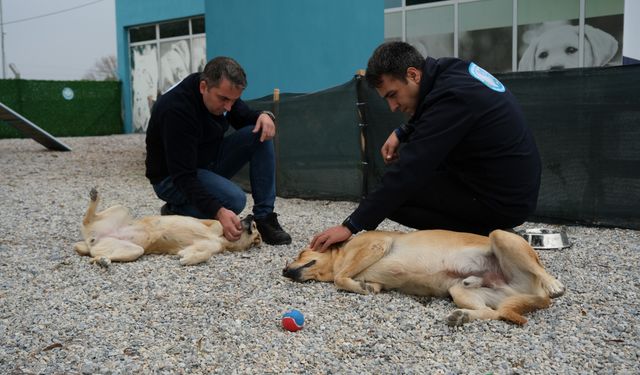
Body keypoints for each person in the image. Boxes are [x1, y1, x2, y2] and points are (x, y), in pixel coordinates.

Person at [311, 41, 541, 251]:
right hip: (504, 184)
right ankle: (485, 231)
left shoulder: (453, 97)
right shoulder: (451, 71)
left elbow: (409, 171)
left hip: (503, 200)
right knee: (406, 184)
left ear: (413, 74)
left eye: (393, 95)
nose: (392, 106)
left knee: (399, 195)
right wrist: (404, 131)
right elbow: (434, 111)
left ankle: (484, 238)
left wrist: (351, 225)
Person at [145, 56, 292, 245]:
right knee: (234, 200)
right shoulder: (176, 110)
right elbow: (183, 176)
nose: (228, 107)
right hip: (172, 178)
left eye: (233, 100)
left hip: (205, 162)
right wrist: (219, 211)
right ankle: (177, 211)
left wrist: (265, 115)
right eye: (224, 99)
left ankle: (264, 218)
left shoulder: (221, 91)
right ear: (203, 87)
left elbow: (242, 116)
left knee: (259, 133)